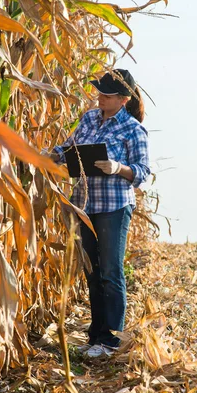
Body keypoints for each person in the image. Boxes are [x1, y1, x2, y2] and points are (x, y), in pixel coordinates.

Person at [51, 69, 150, 359]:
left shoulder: (133, 129)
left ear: (123, 99)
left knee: (110, 272)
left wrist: (117, 168)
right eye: (99, 93)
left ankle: (110, 342)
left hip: (114, 207)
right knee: (92, 272)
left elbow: (143, 172)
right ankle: (95, 337)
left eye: (106, 95)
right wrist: (50, 155)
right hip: (84, 204)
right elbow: (69, 148)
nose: (100, 98)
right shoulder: (89, 119)